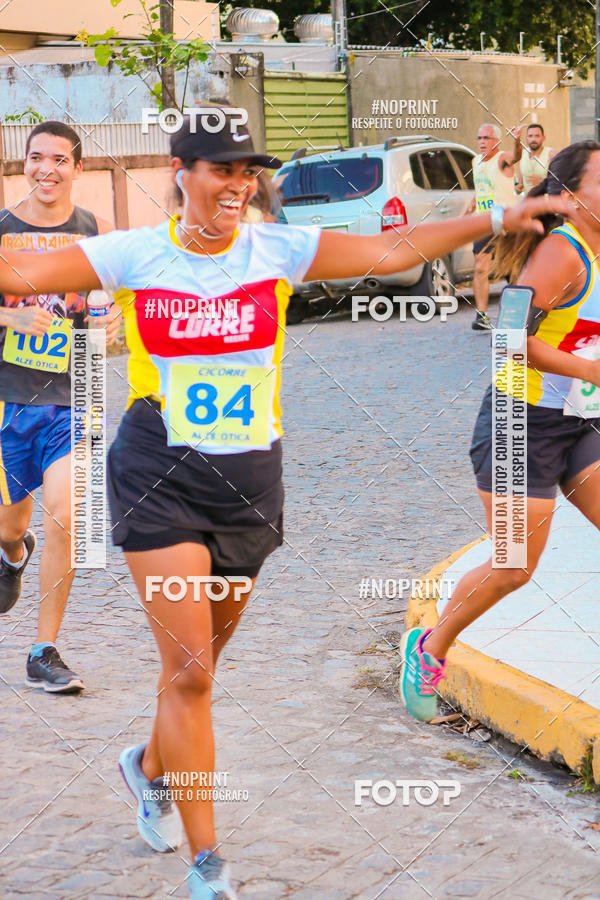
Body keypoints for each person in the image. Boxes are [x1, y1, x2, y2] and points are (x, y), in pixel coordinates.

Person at [0, 109, 571, 899]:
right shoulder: (133, 252)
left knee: (202, 666)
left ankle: (148, 765)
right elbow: (17, 274)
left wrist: (497, 216)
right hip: (158, 470)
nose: (238, 184)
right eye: (221, 169)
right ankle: (208, 864)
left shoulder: (277, 246)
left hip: (248, 483)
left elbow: (388, 249)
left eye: (247, 171)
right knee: (191, 671)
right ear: (182, 173)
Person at [399, 141, 600, 724]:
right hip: (520, 426)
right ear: (568, 197)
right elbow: (507, 336)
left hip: (579, 422)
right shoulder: (562, 254)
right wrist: (587, 369)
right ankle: (430, 648)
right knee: (513, 565)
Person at [0, 121, 120, 693]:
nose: (46, 169)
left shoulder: (97, 234)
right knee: (10, 522)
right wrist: (10, 316)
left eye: (59, 160)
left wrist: (112, 321)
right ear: (22, 163)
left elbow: (118, 305)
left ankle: (43, 649)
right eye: (35, 158)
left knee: (68, 517)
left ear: (78, 168)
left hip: (75, 396)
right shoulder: (2, 231)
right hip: (6, 400)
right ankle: (11, 552)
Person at [470, 123, 522, 331]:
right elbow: (482, 188)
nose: (482, 142)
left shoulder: (502, 159)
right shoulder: (475, 161)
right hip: (484, 222)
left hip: (506, 221)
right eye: (480, 138)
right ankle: (481, 316)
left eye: (487, 138)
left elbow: (515, 157)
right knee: (480, 266)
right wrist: (472, 203)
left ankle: (519, 313)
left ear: (497, 142)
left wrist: (517, 140)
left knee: (512, 269)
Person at [516, 123, 556, 195]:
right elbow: (520, 183)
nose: (533, 139)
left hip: (546, 203)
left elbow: (558, 182)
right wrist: (518, 188)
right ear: (526, 138)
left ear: (543, 138)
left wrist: (542, 183)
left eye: (537, 136)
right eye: (530, 136)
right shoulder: (523, 153)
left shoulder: (551, 153)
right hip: (529, 203)